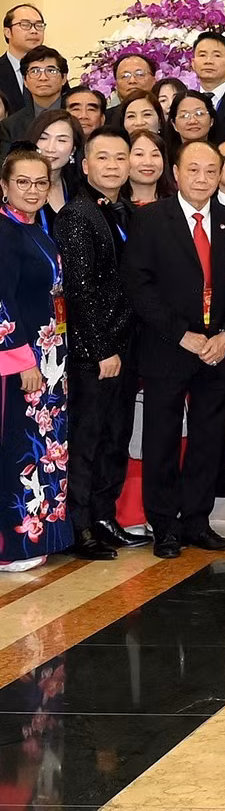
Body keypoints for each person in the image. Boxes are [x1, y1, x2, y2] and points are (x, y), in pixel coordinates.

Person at [122, 139, 225, 559]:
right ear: (175, 173)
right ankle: (164, 525)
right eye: (193, 170)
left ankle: (197, 520)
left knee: (208, 440)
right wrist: (182, 334)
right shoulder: (152, 219)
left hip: (217, 349)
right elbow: (139, 284)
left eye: (211, 171)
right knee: (161, 437)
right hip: (167, 347)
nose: (202, 178)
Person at [54, 130, 138, 559]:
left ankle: (105, 517)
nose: (111, 165)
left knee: (115, 436)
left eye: (119, 157)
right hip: (95, 352)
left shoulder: (120, 211)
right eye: (101, 157)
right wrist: (101, 348)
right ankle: (80, 526)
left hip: (125, 346)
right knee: (87, 440)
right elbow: (79, 290)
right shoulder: (77, 215)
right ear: (84, 166)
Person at [0, 150, 72, 570]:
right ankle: (14, 546)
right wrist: (22, 360)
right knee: (22, 451)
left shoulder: (36, 229)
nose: (32, 190)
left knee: (47, 450)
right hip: (23, 362)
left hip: (51, 358)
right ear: (5, 186)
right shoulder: (5, 232)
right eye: (22, 182)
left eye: (40, 182)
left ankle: (41, 534)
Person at [28, 110, 82, 214]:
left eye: (61, 140)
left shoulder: (79, 189)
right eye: (43, 138)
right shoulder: (16, 188)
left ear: (73, 149)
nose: (50, 148)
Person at [126, 130, 173, 205]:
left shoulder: (177, 204)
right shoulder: (115, 207)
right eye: (139, 154)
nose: (148, 162)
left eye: (155, 155)